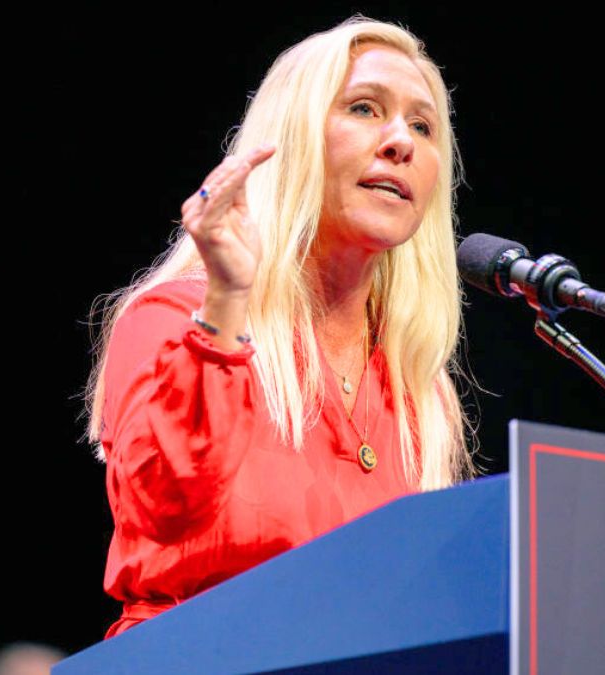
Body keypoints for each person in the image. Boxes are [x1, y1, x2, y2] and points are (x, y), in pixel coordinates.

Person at [82, 16, 476, 638]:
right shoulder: (178, 320)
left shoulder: (419, 391)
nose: (400, 139)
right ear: (290, 141)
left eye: (423, 126)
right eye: (365, 108)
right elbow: (164, 512)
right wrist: (228, 300)